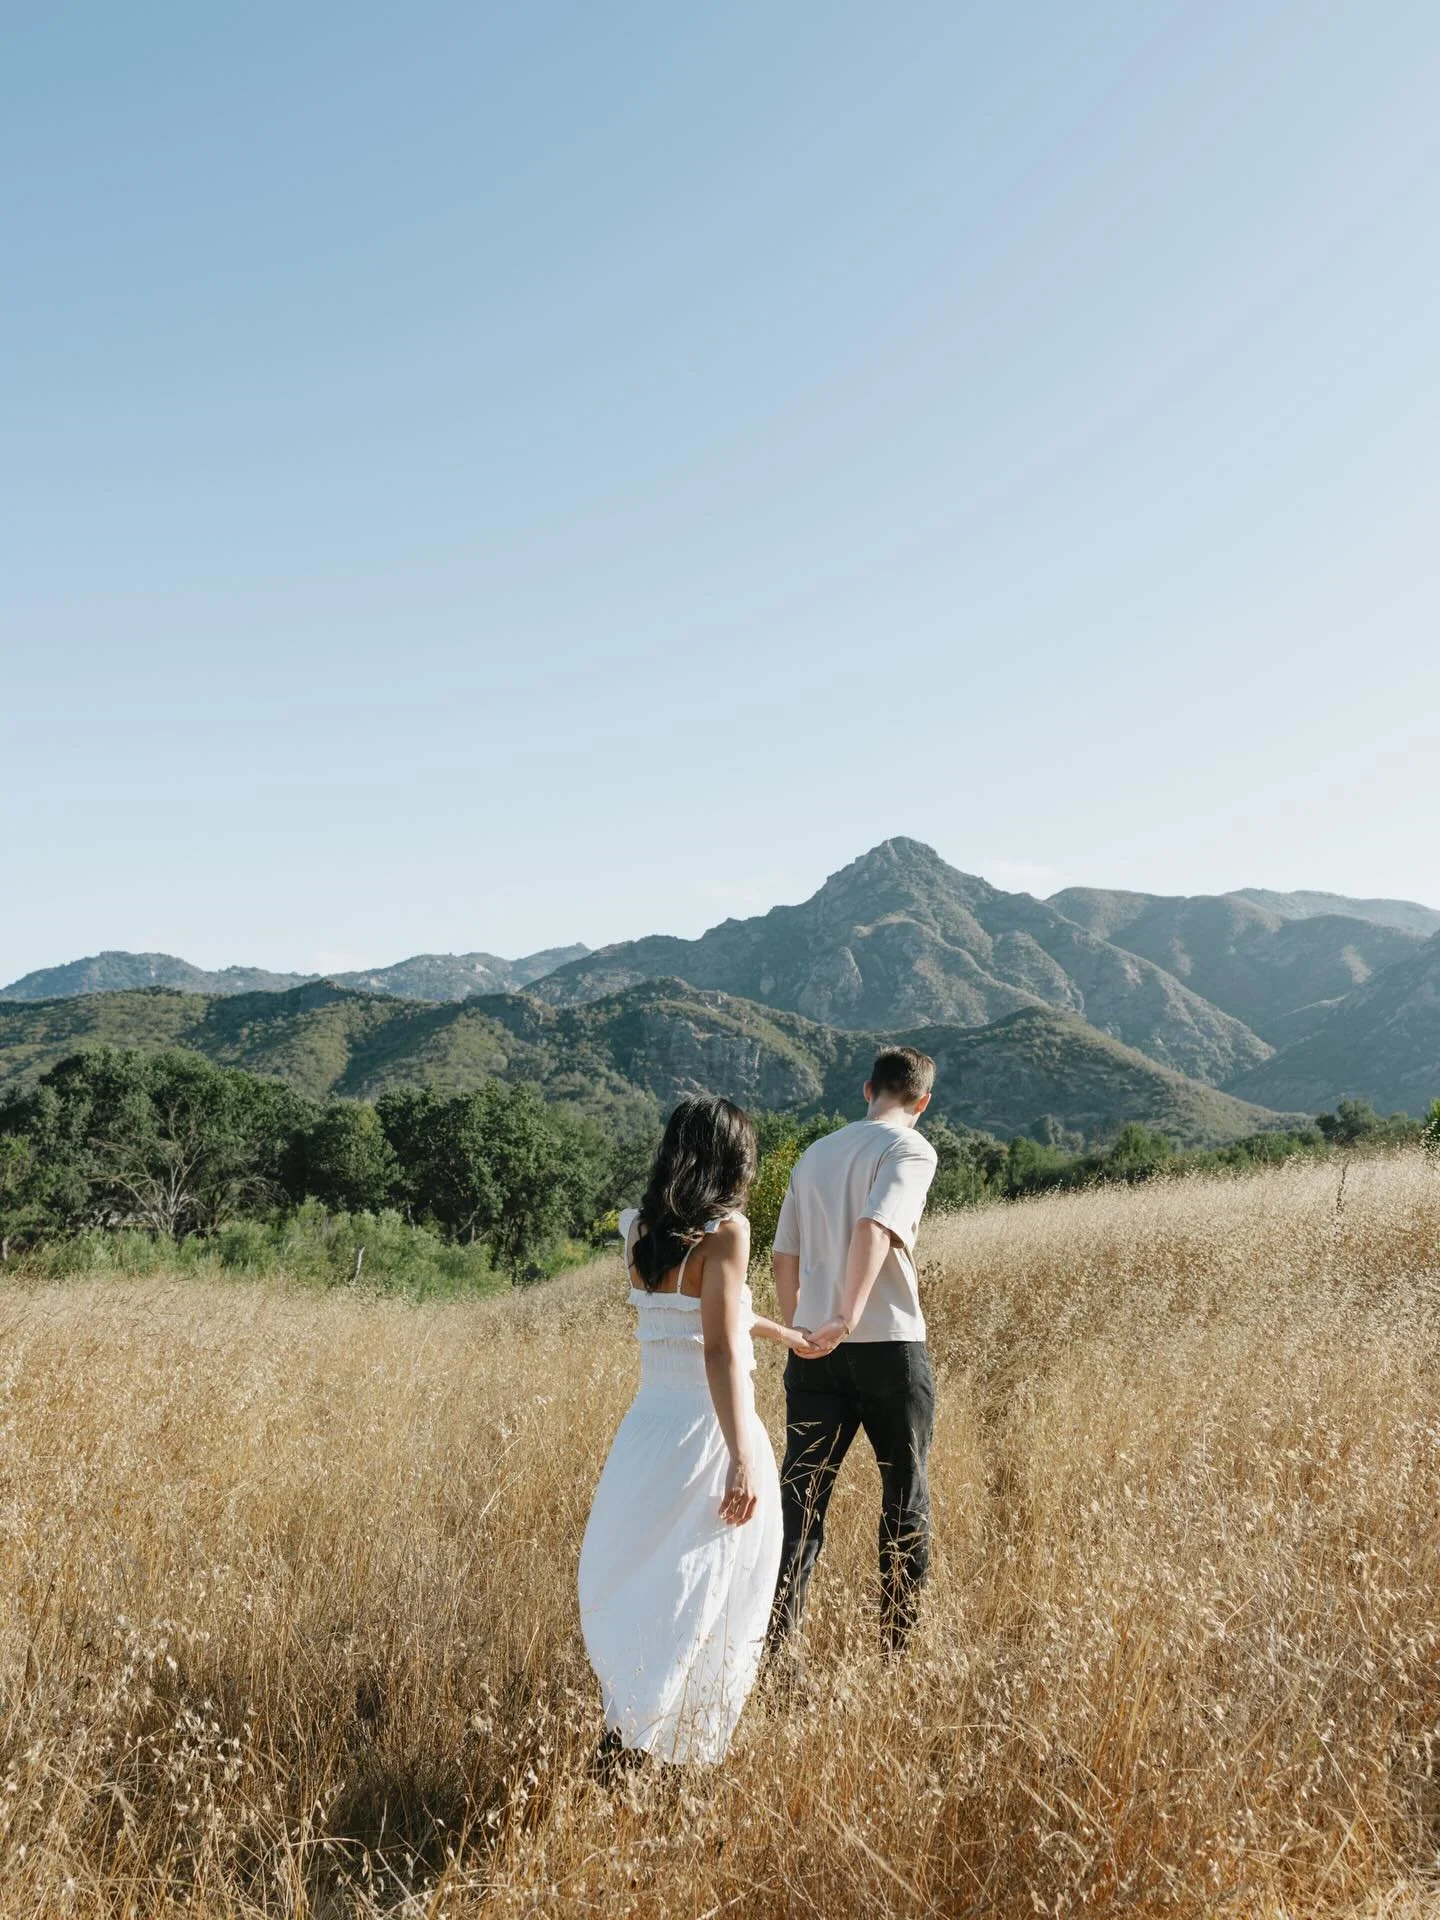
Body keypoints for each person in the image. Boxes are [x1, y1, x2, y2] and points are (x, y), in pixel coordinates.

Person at [578, 1095, 813, 1768]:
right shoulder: (728, 1233)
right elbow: (716, 1348)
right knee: (710, 1590)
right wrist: (742, 1454)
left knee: (650, 1579)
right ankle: (659, 1748)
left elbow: (696, 1320)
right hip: (708, 1430)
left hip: (648, 1429)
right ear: (734, 1159)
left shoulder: (641, 1230)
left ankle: (630, 1731)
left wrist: (783, 1332)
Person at [768, 1046, 940, 1656]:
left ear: (867, 1090)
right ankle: (895, 1651)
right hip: (888, 1347)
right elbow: (876, 1226)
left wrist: (803, 1326)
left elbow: (782, 1256)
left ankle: (777, 1654)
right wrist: (847, 1315)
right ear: (921, 1101)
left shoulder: (816, 1153)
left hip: (812, 1353)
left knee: (801, 1503)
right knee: (904, 1496)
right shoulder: (910, 1148)